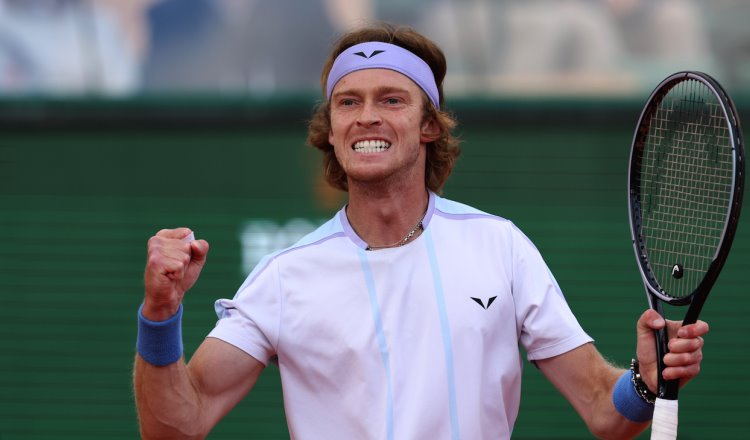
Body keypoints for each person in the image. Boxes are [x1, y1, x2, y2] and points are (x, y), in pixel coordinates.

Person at [133, 22, 709, 439]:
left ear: (429, 125)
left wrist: (642, 383)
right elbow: (177, 425)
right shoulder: (284, 277)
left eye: (392, 99)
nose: (367, 117)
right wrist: (160, 316)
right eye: (348, 102)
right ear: (330, 131)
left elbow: (603, 411)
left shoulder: (500, 247)